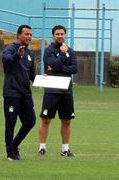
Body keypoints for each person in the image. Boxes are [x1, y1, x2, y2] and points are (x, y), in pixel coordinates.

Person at [38, 25, 78, 157]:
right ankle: (42, 147)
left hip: (66, 91)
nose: (60, 36)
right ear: (53, 35)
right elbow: (52, 65)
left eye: (62, 34)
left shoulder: (70, 51)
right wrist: (61, 55)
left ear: (65, 35)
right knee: (46, 119)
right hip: (51, 90)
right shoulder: (49, 50)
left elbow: (74, 69)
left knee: (66, 120)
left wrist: (58, 68)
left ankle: (65, 149)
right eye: (57, 34)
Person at [2, 25, 36, 161]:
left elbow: (32, 75)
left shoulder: (30, 54)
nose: (29, 37)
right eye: (26, 34)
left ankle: (14, 145)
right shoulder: (11, 48)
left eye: (31, 35)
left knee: (30, 121)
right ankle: (10, 153)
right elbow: (5, 60)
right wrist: (17, 54)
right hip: (12, 92)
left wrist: (46, 79)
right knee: (11, 122)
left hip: (25, 93)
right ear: (18, 35)